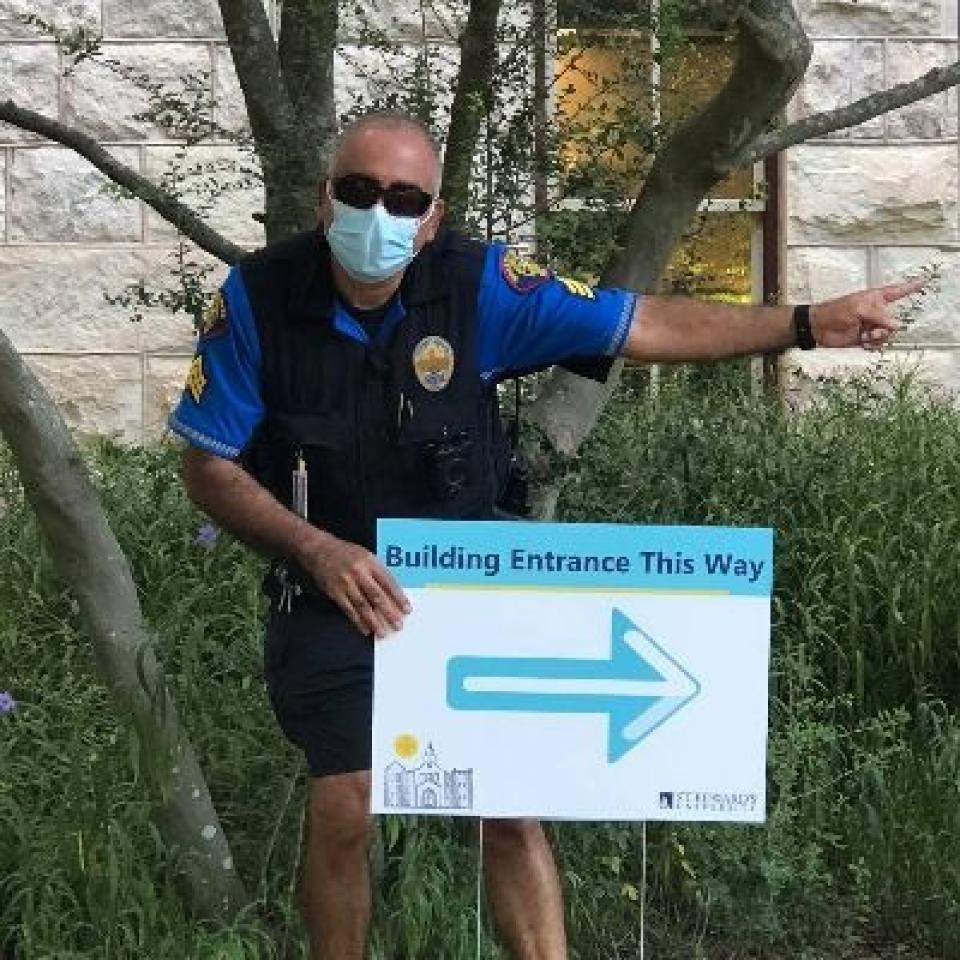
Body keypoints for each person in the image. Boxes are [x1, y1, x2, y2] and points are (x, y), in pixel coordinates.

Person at [168, 110, 918, 960]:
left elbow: (644, 324)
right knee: (347, 802)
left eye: (405, 198)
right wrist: (315, 549)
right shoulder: (257, 299)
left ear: (432, 220)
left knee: (508, 806)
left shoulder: (481, 286)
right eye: (360, 190)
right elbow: (210, 469)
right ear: (323, 197)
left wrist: (807, 323)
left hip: (463, 589)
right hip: (329, 587)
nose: (379, 213)